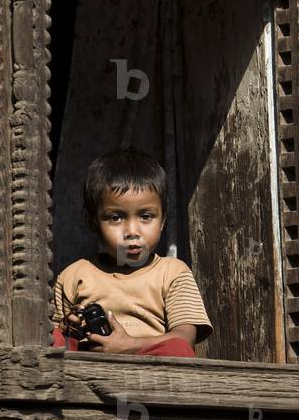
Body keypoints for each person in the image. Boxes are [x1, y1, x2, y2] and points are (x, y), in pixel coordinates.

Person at [51, 149, 212, 357]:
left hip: (152, 372)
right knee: (52, 339)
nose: (132, 232)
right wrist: (71, 328)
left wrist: (129, 345)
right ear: (93, 222)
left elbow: (184, 337)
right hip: (90, 367)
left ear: (163, 220)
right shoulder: (74, 275)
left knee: (177, 348)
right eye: (116, 218)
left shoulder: (172, 272)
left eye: (146, 216)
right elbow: (56, 338)